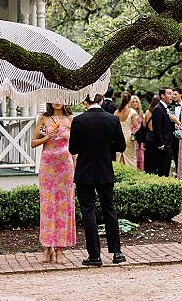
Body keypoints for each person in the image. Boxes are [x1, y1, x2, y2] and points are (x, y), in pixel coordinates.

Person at [68, 94, 127, 267]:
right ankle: (117, 252)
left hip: (84, 171)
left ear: (85, 102)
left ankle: (94, 255)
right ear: (101, 101)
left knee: (89, 213)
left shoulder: (78, 121)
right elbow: (121, 147)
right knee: (109, 210)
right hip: (105, 170)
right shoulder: (112, 120)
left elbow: (73, 148)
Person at [31, 102, 76, 265]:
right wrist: (46, 137)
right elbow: (33, 142)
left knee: (63, 207)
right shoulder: (43, 118)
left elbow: (75, 147)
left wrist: (75, 168)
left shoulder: (71, 119)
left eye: (60, 98)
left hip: (65, 167)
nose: (58, 102)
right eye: (54, 98)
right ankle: (47, 247)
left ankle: (60, 249)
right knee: (48, 206)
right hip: (48, 166)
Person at [151, 86, 176, 176]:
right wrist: (161, 144)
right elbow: (157, 128)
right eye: (169, 94)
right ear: (162, 95)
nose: (172, 96)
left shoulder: (167, 108)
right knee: (162, 170)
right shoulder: (158, 109)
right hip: (163, 146)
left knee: (166, 170)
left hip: (169, 143)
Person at [114, 91, 139, 169]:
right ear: (129, 101)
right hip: (128, 136)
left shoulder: (117, 112)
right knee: (130, 157)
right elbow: (135, 125)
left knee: (119, 156)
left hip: (119, 137)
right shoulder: (132, 112)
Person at [170, 86, 182, 170]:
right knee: (176, 156)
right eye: (172, 94)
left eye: (175, 94)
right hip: (174, 134)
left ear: (180, 95)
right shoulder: (171, 106)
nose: (173, 96)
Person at [130, 95, 145, 170]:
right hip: (132, 134)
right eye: (133, 102)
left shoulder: (141, 113)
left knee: (140, 155)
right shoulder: (129, 112)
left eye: (136, 102)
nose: (135, 103)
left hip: (140, 135)